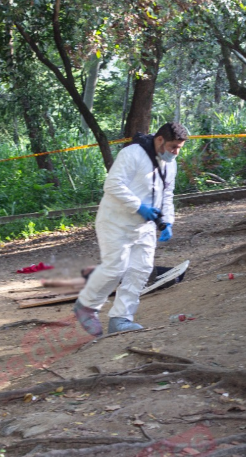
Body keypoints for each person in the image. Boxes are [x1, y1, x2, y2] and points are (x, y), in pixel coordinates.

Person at [73, 122, 189, 336]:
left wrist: (168, 221)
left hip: (143, 226)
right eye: (174, 147)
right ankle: (86, 307)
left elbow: (168, 194)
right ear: (160, 140)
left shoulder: (169, 163)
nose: (176, 152)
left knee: (141, 269)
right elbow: (113, 185)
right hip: (115, 222)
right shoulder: (132, 154)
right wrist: (139, 207)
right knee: (115, 268)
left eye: (179, 148)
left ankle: (121, 318)